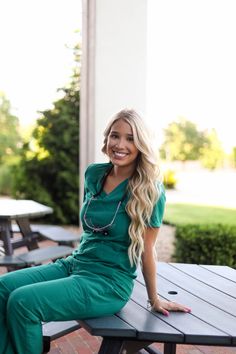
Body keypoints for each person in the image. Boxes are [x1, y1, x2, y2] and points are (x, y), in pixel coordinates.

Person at [0, 108, 191, 354]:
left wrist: (154, 299)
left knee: (24, 302)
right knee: (3, 289)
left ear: (141, 144)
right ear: (107, 138)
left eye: (130, 138)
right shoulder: (94, 174)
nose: (120, 144)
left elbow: (148, 249)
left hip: (108, 283)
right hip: (75, 264)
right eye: (115, 135)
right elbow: (91, 230)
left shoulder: (150, 190)